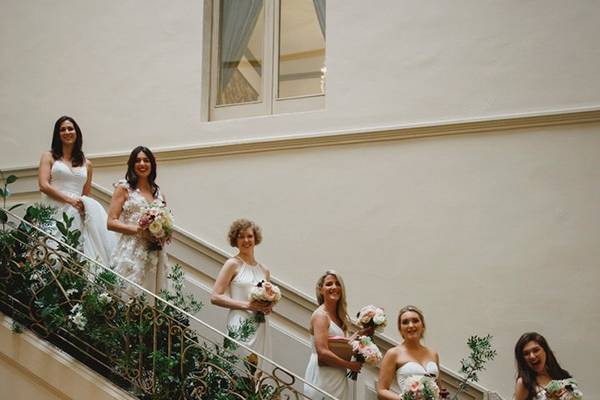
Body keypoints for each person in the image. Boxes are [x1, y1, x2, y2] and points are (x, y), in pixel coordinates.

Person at [38, 115, 116, 266]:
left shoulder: (87, 164)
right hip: (55, 208)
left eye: (70, 128)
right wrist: (70, 200)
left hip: (76, 212)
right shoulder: (48, 156)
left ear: (76, 132)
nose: (67, 132)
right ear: (57, 134)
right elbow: (44, 185)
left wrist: (82, 208)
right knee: (52, 250)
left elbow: (86, 193)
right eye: (62, 129)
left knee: (77, 251)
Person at [107, 146, 168, 297]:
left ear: (152, 165)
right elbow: (111, 222)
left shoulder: (158, 193)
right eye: (138, 161)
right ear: (132, 165)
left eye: (146, 160)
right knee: (128, 294)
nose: (142, 164)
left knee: (152, 297)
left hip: (154, 252)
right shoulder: (124, 188)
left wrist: (163, 234)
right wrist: (139, 230)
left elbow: (166, 223)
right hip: (131, 250)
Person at [211, 218, 272, 359]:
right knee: (236, 368)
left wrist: (268, 306)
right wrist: (248, 305)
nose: (246, 240)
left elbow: (265, 300)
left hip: (260, 327)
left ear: (255, 238)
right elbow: (215, 296)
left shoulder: (265, 270)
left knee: (258, 375)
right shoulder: (232, 264)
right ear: (235, 240)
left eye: (249, 236)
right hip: (238, 323)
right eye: (241, 237)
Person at [304, 270, 363, 400]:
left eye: (337, 284)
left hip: (338, 376)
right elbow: (322, 351)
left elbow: (340, 345)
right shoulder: (321, 316)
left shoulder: (339, 317)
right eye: (329, 284)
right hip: (323, 375)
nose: (334, 287)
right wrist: (349, 365)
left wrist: (361, 336)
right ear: (321, 290)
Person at [377, 305, 446, 400]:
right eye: (405, 322)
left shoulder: (433, 354)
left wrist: (442, 395)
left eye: (415, 321)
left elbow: (438, 388)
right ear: (400, 329)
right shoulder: (393, 353)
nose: (411, 325)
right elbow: (381, 391)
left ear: (422, 325)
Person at [514, 332, 582, 400]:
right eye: (526, 353)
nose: (532, 356)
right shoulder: (524, 383)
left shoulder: (561, 375)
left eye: (536, 350)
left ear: (545, 351)